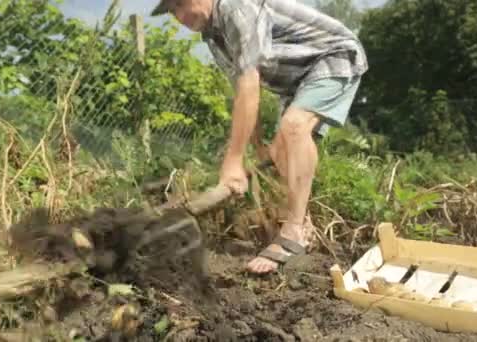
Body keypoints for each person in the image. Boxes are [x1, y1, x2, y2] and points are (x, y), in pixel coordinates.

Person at [150, 0, 368, 274]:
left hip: (333, 56)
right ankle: (303, 224)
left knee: (294, 127)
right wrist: (257, 146)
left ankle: (293, 230)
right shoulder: (214, 37)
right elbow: (242, 90)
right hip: (296, 80)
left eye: (181, 4)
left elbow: (251, 82)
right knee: (279, 151)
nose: (180, 17)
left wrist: (233, 162)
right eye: (173, 11)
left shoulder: (236, 8)